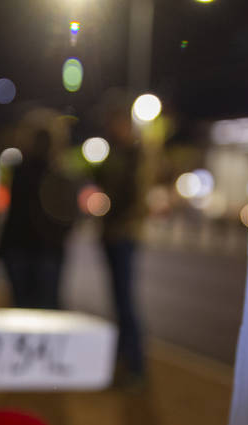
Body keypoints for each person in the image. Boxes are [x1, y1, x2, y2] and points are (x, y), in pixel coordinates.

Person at [0, 126, 77, 309]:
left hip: (24, 248)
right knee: (45, 307)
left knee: (22, 305)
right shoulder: (60, 173)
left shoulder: (21, 172)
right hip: (45, 249)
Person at [95, 106, 146, 382]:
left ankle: (135, 365)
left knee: (125, 302)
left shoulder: (135, 155)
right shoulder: (113, 153)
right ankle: (122, 360)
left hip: (123, 234)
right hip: (111, 234)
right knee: (118, 301)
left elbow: (134, 196)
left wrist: (113, 210)